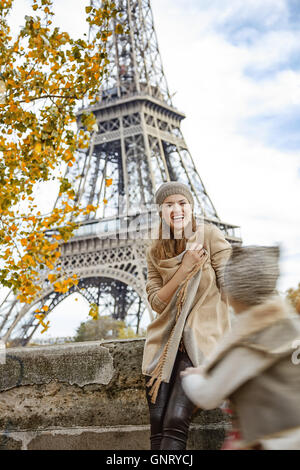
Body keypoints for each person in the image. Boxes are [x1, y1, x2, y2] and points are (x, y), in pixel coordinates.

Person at [181, 245, 300, 450]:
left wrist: (193, 376)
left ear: (236, 293)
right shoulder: (292, 328)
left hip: (270, 442)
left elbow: (208, 395)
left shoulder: (249, 344)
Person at [142, 181, 232, 450]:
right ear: (160, 211)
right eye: (169, 204)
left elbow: (233, 284)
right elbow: (157, 302)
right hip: (165, 344)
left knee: (176, 418)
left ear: (191, 207)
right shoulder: (155, 251)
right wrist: (185, 269)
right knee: (157, 421)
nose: (176, 209)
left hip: (202, 340)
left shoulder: (209, 236)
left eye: (182, 203)